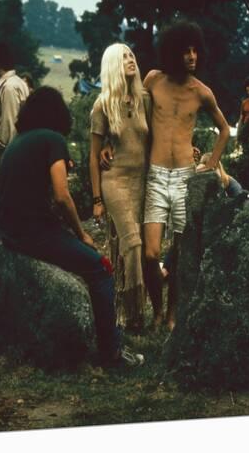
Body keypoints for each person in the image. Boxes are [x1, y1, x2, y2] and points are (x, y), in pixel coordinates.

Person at [0, 86, 143, 367]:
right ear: (58, 113)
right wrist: (82, 234)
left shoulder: (19, 141)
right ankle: (111, 352)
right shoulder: (53, 139)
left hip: (10, 233)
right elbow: (62, 196)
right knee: (101, 269)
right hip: (35, 233)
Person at [143, 20, 230, 330]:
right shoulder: (153, 80)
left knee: (178, 255)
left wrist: (210, 163)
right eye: (185, 51)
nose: (192, 56)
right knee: (151, 254)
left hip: (183, 178)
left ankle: (171, 314)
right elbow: (133, 118)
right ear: (172, 52)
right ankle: (155, 309)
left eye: (195, 50)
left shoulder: (202, 92)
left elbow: (224, 130)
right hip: (155, 176)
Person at [89, 43, 152, 333]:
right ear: (113, 64)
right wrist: (97, 199)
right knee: (132, 244)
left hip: (141, 182)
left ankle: (125, 311)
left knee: (133, 250)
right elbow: (93, 155)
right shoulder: (102, 104)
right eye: (124, 56)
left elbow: (156, 138)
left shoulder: (144, 99)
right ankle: (133, 318)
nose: (131, 59)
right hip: (114, 181)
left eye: (131, 54)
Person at [0, 43, 30, 155]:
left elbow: (10, 125)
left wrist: (7, 155)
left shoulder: (9, 87)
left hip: (6, 152)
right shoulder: (18, 82)